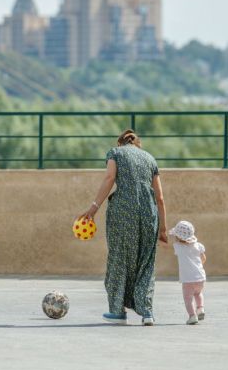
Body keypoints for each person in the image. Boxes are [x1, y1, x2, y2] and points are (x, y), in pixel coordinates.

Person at [78, 129, 167, 326]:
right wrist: (162, 229)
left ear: (121, 143)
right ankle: (147, 313)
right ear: (138, 144)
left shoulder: (115, 153)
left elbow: (110, 179)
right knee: (146, 262)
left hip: (122, 212)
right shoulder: (150, 159)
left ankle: (117, 311)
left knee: (119, 258)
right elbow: (159, 197)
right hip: (148, 214)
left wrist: (93, 208)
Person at [169, 220, 206, 325]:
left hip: (188, 279)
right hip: (200, 277)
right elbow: (203, 258)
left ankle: (192, 316)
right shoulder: (199, 245)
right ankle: (200, 308)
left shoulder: (178, 247)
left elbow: (174, 245)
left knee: (188, 298)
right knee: (198, 293)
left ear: (178, 237)